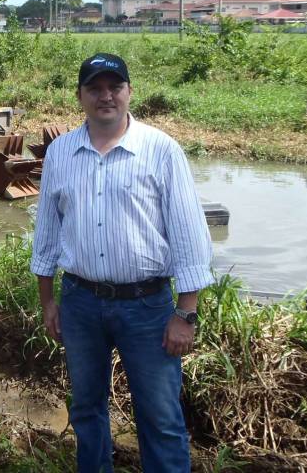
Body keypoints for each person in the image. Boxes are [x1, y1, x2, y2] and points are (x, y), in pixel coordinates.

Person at [31, 53, 213, 472]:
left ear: (130, 92)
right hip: (80, 302)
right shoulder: (60, 153)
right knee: (86, 410)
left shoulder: (161, 150)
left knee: (161, 418)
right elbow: (47, 233)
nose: (105, 96)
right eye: (95, 88)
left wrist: (185, 313)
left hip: (147, 307)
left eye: (115, 87)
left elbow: (189, 235)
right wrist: (48, 302)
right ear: (80, 96)